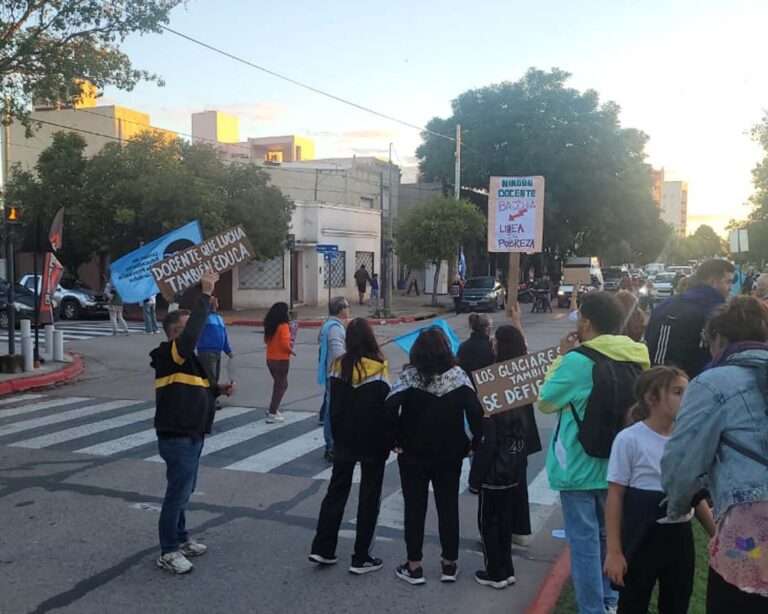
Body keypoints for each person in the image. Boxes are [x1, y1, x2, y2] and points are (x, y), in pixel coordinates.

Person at [538, 292, 650, 614]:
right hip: (619, 464)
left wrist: (561, 356)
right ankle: (610, 601)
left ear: (586, 323)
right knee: (609, 538)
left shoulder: (577, 361)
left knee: (584, 543)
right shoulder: (638, 356)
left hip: (579, 464)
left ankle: (592, 609)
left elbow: (546, 400)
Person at [662, 296, 768, 611]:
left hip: (751, 520)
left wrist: (678, 505)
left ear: (719, 339)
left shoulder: (713, 383)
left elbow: (681, 461)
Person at [604, 367, 715, 613]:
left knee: (677, 602)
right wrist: (613, 551)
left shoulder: (688, 439)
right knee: (633, 603)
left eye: (688, 392)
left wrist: (716, 535)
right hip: (642, 537)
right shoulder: (629, 439)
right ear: (651, 398)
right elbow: (615, 496)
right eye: (677, 392)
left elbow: (694, 495)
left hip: (679, 537)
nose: (686, 398)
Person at [150, 272, 234, 574]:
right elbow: (188, 340)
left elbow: (195, 386)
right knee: (177, 493)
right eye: (187, 330)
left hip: (193, 433)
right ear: (174, 333)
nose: (195, 335)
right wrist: (204, 295)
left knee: (185, 490)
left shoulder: (186, 359)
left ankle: (181, 538)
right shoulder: (170, 353)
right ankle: (168, 550)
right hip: (177, 435)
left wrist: (217, 390)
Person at [386, 328, 483, 585]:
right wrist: (474, 442)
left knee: (414, 508)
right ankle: (449, 565)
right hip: (450, 454)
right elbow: (476, 412)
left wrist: (395, 439)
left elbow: (388, 408)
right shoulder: (458, 377)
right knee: (448, 507)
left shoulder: (409, 377)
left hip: (413, 454)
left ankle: (414, 565)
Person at [309, 318, 395, 574]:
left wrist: (334, 439)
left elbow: (333, 406)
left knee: (336, 492)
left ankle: (323, 548)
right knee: (369, 498)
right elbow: (386, 410)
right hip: (373, 442)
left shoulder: (338, 366)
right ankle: (361, 557)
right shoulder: (380, 368)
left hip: (344, 439)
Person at [468, 406, 527, 590]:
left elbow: (486, 449)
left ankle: (494, 573)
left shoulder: (491, 418)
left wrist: (474, 481)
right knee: (504, 525)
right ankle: (507, 569)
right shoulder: (519, 413)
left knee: (488, 526)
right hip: (511, 477)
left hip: (492, 479)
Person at [645, 258, 735, 378]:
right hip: (686, 384)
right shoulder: (717, 312)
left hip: (680, 385)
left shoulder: (667, 305)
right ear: (713, 281)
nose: (731, 288)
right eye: (728, 282)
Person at [495, 324, 542, 546]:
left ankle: (501, 530)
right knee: (519, 481)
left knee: (500, 486)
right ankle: (518, 527)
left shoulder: (497, 372)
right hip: (521, 434)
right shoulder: (523, 366)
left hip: (504, 435)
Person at [317, 297, 350, 462]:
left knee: (331, 409)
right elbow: (338, 354)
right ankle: (331, 446)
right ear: (340, 309)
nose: (349, 309)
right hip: (335, 374)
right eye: (347, 306)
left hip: (331, 373)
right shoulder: (335, 328)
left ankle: (330, 445)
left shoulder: (328, 325)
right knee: (332, 412)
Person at [196, 296, 233, 408]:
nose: (216, 304)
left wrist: (228, 350)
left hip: (217, 352)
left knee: (215, 377)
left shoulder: (219, 318)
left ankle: (211, 398)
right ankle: (209, 401)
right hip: (206, 351)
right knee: (209, 377)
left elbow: (224, 336)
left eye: (216, 302)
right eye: (214, 302)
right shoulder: (203, 317)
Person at [264, 301, 293, 424]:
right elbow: (285, 343)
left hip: (270, 358)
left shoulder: (271, 325)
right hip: (281, 359)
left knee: (279, 384)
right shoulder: (284, 326)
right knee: (281, 386)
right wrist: (291, 350)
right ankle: (272, 412)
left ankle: (273, 408)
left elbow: (266, 341)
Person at [457, 313, 495, 377]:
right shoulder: (492, 346)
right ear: (487, 328)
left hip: (470, 383)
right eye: (491, 327)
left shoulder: (463, 346)